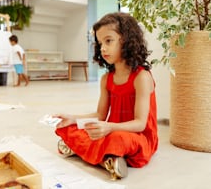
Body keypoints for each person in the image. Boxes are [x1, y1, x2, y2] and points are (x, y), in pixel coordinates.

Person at [55, 12, 158, 180]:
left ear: (126, 40)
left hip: (135, 136)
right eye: (100, 43)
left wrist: (109, 127)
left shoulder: (142, 77)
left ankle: (86, 152)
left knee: (117, 139)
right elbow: (100, 115)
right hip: (109, 129)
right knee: (66, 127)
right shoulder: (106, 79)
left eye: (108, 41)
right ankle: (109, 160)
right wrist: (73, 119)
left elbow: (140, 124)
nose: (103, 48)